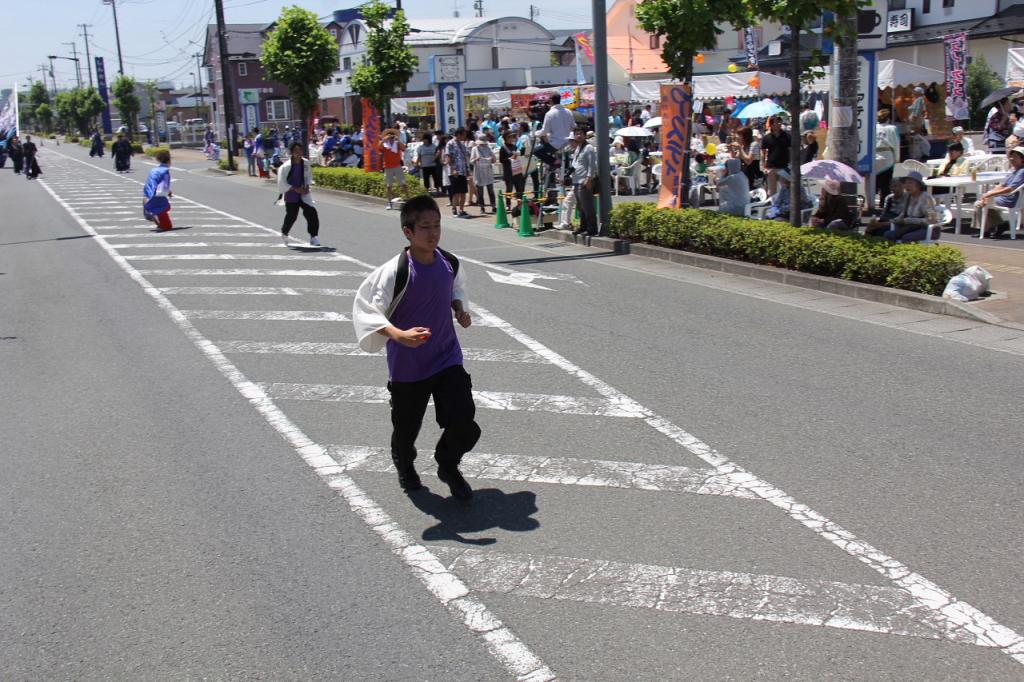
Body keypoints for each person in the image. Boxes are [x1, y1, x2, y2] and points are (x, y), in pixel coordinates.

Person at [351, 195, 478, 500]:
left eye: (437, 226)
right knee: (406, 429)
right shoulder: (395, 271)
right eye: (425, 227)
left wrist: (459, 309)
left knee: (465, 423)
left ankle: (448, 465)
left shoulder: (448, 261)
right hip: (409, 368)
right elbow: (367, 311)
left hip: (447, 357)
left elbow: (454, 288)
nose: (433, 233)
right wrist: (398, 334)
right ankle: (405, 466)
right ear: (408, 232)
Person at [973, 145, 1024, 237]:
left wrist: (991, 194)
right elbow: (1002, 185)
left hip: (1011, 200)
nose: (1012, 159)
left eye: (1016, 157)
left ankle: (986, 230)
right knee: (984, 201)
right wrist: (988, 194)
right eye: (1011, 156)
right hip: (1005, 197)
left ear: (1022, 159)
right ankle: (999, 225)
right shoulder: (1014, 171)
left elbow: (1010, 188)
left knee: (979, 204)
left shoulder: (1022, 171)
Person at [879, 172, 938, 242]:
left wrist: (909, 220)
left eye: (910, 183)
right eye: (905, 183)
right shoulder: (908, 196)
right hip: (911, 227)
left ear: (919, 185)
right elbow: (903, 215)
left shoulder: (926, 198)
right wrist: (894, 220)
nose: (907, 186)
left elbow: (932, 220)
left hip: (927, 229)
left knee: (906, 238)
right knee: (888, 234)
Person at [569, 127, 598, 236]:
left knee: (587, 206)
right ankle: (583, 227)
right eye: (576, 134)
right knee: (580, 206)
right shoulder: (578, 148)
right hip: (576, 180)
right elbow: (575, 164)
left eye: (580, 133)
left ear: (585, 135)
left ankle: (592, 229)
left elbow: (592, 165)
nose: (578, 136)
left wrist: (589, 178)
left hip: (585, 181)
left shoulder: (589, 147)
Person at [142, 149, 173, 230]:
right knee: (162, 209)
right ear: (169, 160)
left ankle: (158, 222)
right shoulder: (165, 171)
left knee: (157, 209)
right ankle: (162, 224)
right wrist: (168, 192)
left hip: (147, 193)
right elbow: (164, 186)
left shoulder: (154, 170)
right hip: (156, 194)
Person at [760, 116, 791, 196]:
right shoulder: (766, 138)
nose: (779, 124)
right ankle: (773, 206)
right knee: (772, 191)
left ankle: (784, 206)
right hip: (771, 166)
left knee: (784, 190)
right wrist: (764, 166)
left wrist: (791, 164)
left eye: (780, 122)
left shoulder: (787, 136)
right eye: (776, 122)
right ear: (771, 125)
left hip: (783, 166)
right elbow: (763, 152)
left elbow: (791, 150)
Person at [875, 109, 901, 204]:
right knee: (886, 182)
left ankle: (871, 202)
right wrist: (897, 159)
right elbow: (896, 144)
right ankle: (884, 202)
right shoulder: (892, 128)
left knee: (875, 181)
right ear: (888, 118)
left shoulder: (873, 127)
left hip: (875, 155)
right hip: (887, 156)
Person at [379, 128, 408, 209]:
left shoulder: (397, 144)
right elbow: (379, 147)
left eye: (392, 136)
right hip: (388, 167)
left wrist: (398, 140)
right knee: (389, 186)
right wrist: (384, 140)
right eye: (389, 136)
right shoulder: (384, 144)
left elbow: (404, 148)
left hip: (397, 166)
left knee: (403, 184)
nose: (391, 138)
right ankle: (389, 203)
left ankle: (409, 199)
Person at [445, 128, 470, 217]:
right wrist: (453, 169)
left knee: (463, 191)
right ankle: (454, 208)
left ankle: (461, 209)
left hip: (463, 171)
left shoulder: (462, 144)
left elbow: (465, 157)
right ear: (459, 134)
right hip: (454, 171)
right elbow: (448, 157)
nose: (465, 136)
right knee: (456, 191)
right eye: (464, 134)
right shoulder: (450, 143)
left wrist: (467, 170)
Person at [469, 133, 496, 214]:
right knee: (480, 191)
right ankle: (482, 207)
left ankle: (493, 206)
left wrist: (491, 159)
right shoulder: (475, 149)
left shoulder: (488, 148)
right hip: (479, 172)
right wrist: (476, 159)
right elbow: (471, 161)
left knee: (490, 190)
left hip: (488, 171)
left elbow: (494, 159)